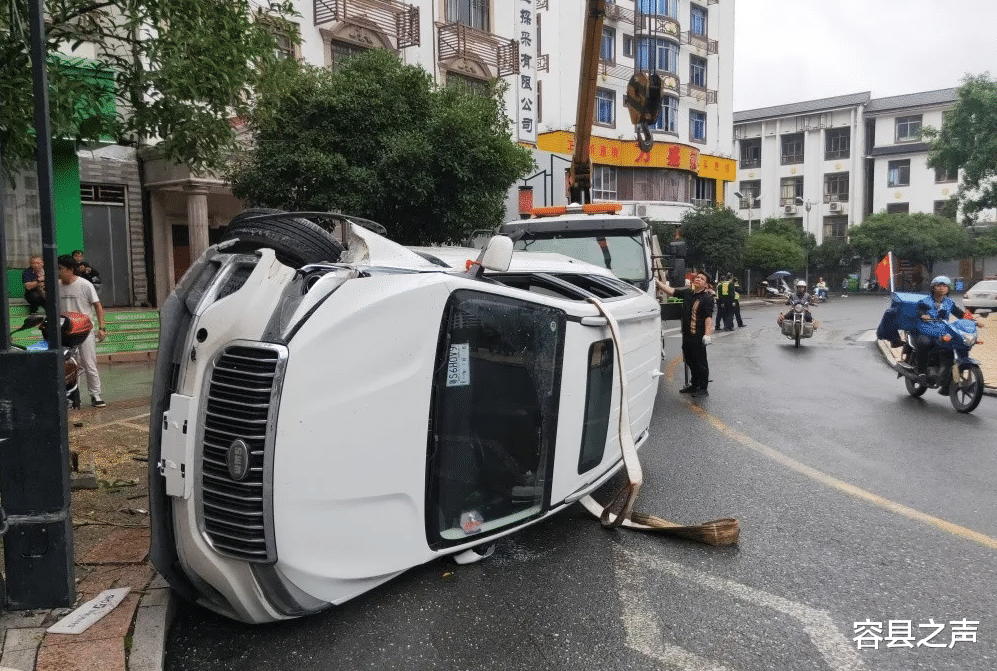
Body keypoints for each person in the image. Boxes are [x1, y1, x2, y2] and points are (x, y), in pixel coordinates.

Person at [913, 275, 985, 393]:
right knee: (924, 343)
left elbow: (961, 314)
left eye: (944, 286)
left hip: (942, 330)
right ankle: (921, 372)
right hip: (926, 329)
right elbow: (918, 310)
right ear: (933, 288)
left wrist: (975, 321)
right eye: (938, 286)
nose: (941, 288)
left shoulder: (949, 302)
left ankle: (945, 382)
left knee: (950, 349)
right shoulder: (925, 301)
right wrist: (923, 315)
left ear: (948, 289)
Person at [58, 254, 108, 407]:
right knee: (68, 366)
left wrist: (102, 328)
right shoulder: (56, 286)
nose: (58, 271)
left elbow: (98, 307)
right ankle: (72, 396)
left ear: (70, 269)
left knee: (89, 363)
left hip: (85, 331)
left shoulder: (85, 285)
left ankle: (95, 394)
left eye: (60, 269)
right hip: (66, 332)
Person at [656, 273, 714, 397]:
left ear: (706, 284)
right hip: (687, 335)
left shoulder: (707, 298)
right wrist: (657, 283)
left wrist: (707, 335)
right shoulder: (688, 293)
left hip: (698, 335)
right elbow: (672, 291)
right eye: (697, 277)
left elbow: (708, 318)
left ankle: (703, 388)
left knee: (700, 362)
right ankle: (694, 385)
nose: (698, 279)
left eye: (702, 279)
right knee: (690, 360)